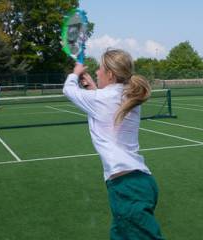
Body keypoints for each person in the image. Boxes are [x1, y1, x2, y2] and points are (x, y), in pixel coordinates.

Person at [63, 49, 164, 239]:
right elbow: (107, 106)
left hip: (128, 188)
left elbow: (68, 90)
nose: (96, 72)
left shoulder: (101, 99)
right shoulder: (128, 96)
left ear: (110, 74)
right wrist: (94, 88)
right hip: (137, 184)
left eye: (99, 69)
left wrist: (75, 73)